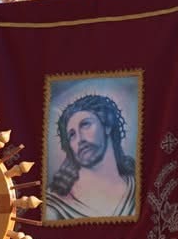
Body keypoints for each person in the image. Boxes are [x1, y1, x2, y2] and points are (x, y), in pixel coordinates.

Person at [46, 91, 136, 220]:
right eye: (72, 135)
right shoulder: (54, 205)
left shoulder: (137, 184)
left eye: (85, 125)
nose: (79, 139)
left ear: (107, 126)